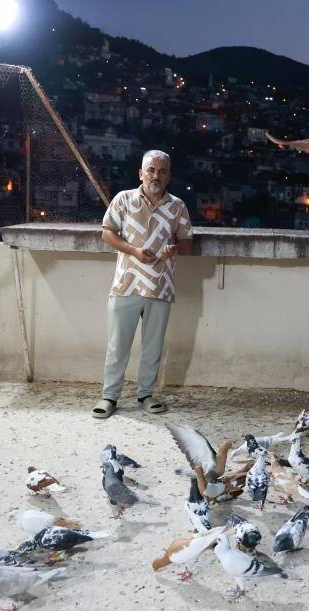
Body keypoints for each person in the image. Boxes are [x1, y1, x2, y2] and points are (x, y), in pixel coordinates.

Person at [92, 150, 193, 418]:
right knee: (118, 344)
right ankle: (109, 396)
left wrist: (174, 249)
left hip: (161, 284)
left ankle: (146, 394)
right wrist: (133, 250)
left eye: (161, 171)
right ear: (141, 173)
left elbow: (187, 240)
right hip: (126, 282)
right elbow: (107, 233)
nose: (156, 175)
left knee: (153, 345)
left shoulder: (177, 206)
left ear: (168, 176)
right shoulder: (123, 200)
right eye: (151, 170)